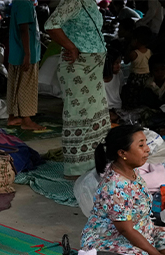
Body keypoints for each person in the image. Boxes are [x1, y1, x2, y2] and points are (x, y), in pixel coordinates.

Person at [81, 125, 165, 255]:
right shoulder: (114, 187)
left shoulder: (132, 171)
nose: (147, 149)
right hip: (110, 238)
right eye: (141, 145)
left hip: (141, 229)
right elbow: (125, 230)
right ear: (122, 153)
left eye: (146, 143)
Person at [45, 0, 110, 178]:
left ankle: (92, 163)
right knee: (79, 114)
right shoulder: (73, 1)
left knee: (95, 114)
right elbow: (51, 25)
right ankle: (75, 169)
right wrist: (71, 46)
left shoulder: (89, 3)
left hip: (92, 70)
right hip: (78, 69)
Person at [7, 0, 43, 130]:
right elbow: (24, 29)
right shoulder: (25, 4)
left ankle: (12, 117)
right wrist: (27, 54)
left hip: (16, 52)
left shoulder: (17, 2)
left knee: (15, 85)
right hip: (26, 53)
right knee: (26, 87)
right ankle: (27, 120)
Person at [122, 26, 153, 108]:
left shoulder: (134, 53)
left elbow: (125, 61)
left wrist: (130, 46)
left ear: (135, 40)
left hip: (135, 78)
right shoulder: (149, 52)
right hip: (147, 77)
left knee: (132, 98)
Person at [104, 49, 124, 122]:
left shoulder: (119, 74)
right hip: (105, 108)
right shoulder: (99, 77)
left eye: (119, 62)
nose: (119, 66)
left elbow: (120, 90)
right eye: (116, 63)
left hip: (117, 107)